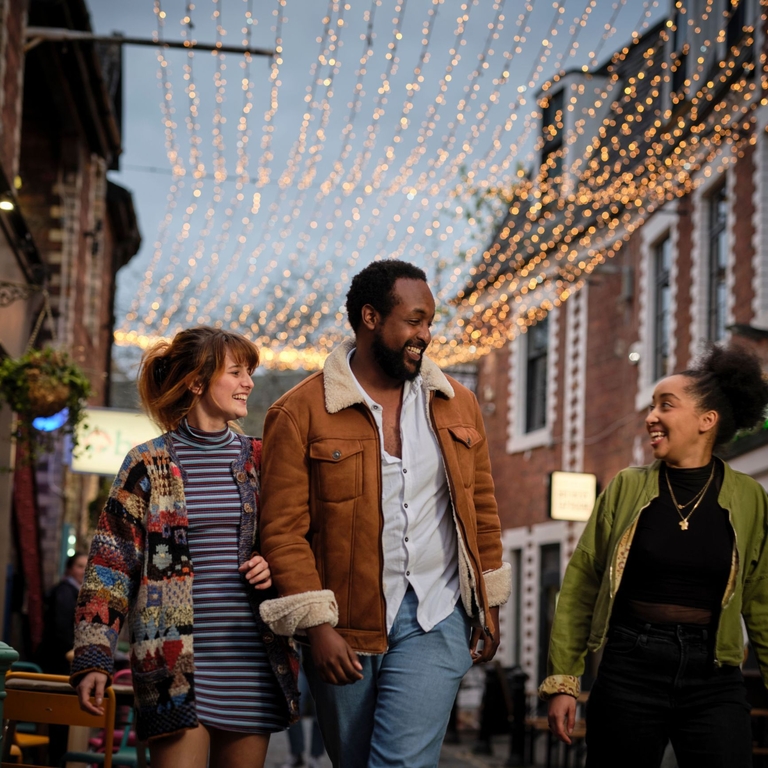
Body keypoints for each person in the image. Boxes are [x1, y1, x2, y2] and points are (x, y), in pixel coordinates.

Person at [258, 259, 511, 768]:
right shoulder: (300, 410)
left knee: (400, 763)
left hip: (435, 616)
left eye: (430, 323)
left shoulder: (458, 404)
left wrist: (489, 601)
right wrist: (316, 624)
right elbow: (283, 531)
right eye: (414, 321)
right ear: (371, 317)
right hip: (344, 626)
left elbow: (481, 508)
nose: (426, 335)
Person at [70, 327, 299, 768]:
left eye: (250, 372)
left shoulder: (262, 459)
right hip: (171, 662)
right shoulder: (146, 463)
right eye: (236, 372)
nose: (249, 382)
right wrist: (94, 657)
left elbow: (296, 539)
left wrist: (275, 565)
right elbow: (110, 564)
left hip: (252, 660)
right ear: (197, 382)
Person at [542, 344, 768, 768]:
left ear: (707, 420)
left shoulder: (750, 497)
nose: (651, 416)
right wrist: (564, 681)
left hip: (714, 675)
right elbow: (582, 584)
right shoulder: (627, 486)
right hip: (630, 667)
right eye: (651, 406)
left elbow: (762, 599)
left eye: (666, 405)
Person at [36, 552, 87, 676]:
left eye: (88, 567)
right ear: (69, 569)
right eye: (80, 566)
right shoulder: (65, 593)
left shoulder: (78, 592)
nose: (84, 571)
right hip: (58, 660)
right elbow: (62, 628)